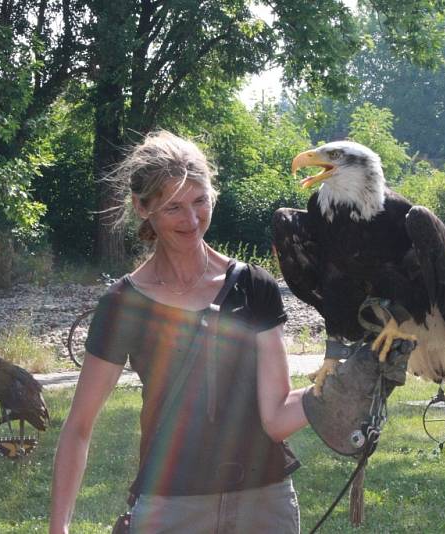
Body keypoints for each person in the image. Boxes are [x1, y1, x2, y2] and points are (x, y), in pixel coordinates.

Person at [49, 130, 309, 533]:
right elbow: (79, 426)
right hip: (170, 507)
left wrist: (339, 387)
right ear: (142, 207)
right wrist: (58, 527)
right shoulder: (123, 304)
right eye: (173, 207)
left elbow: (276, 417)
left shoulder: (254, 286)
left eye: (200, 201)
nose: (191, 221)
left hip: (264, 502)